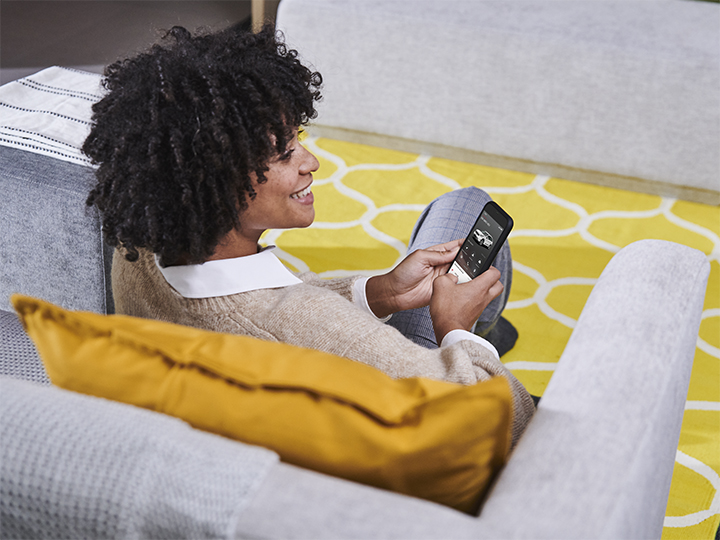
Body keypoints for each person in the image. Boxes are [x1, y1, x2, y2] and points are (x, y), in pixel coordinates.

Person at [83, 24, 535, 444]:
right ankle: (485, 333)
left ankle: (481, 325)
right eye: (283, 154)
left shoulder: (137, 251)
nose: (311, 162)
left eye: (297, 137)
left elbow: (271, 308)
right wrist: (455, 329)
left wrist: (382, 292)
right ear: (216, 181)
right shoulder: (309, 323)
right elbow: (503, 422)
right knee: (467, 205)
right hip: (420, 401)